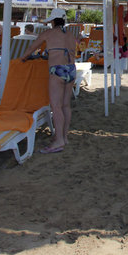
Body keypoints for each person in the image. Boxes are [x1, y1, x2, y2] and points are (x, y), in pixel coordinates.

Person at [21, 8, 77, 154]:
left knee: (56, 107)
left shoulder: (48, 33)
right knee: (66, 105)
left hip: (57, 70)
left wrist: (23, 58)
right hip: (71, 70)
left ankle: (58, 141)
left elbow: (31, 48)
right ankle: (64, 137)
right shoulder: (71, 34)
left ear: (52, 21)